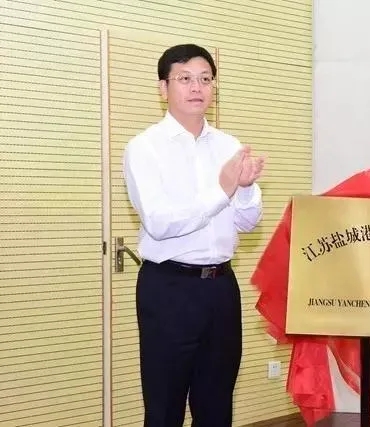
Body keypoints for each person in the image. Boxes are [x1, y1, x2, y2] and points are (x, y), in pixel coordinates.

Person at [123, 43, 264, 427]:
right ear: (163, 88)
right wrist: (222, 190)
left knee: (217, 405)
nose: (196, 87)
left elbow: (248, 222)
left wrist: (245, 188)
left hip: (221, 288)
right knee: (165, 407)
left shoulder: (229, 146)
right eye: (184, 78)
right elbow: (159, 221)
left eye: (205, 79)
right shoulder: (144, 147)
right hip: (169, 289)